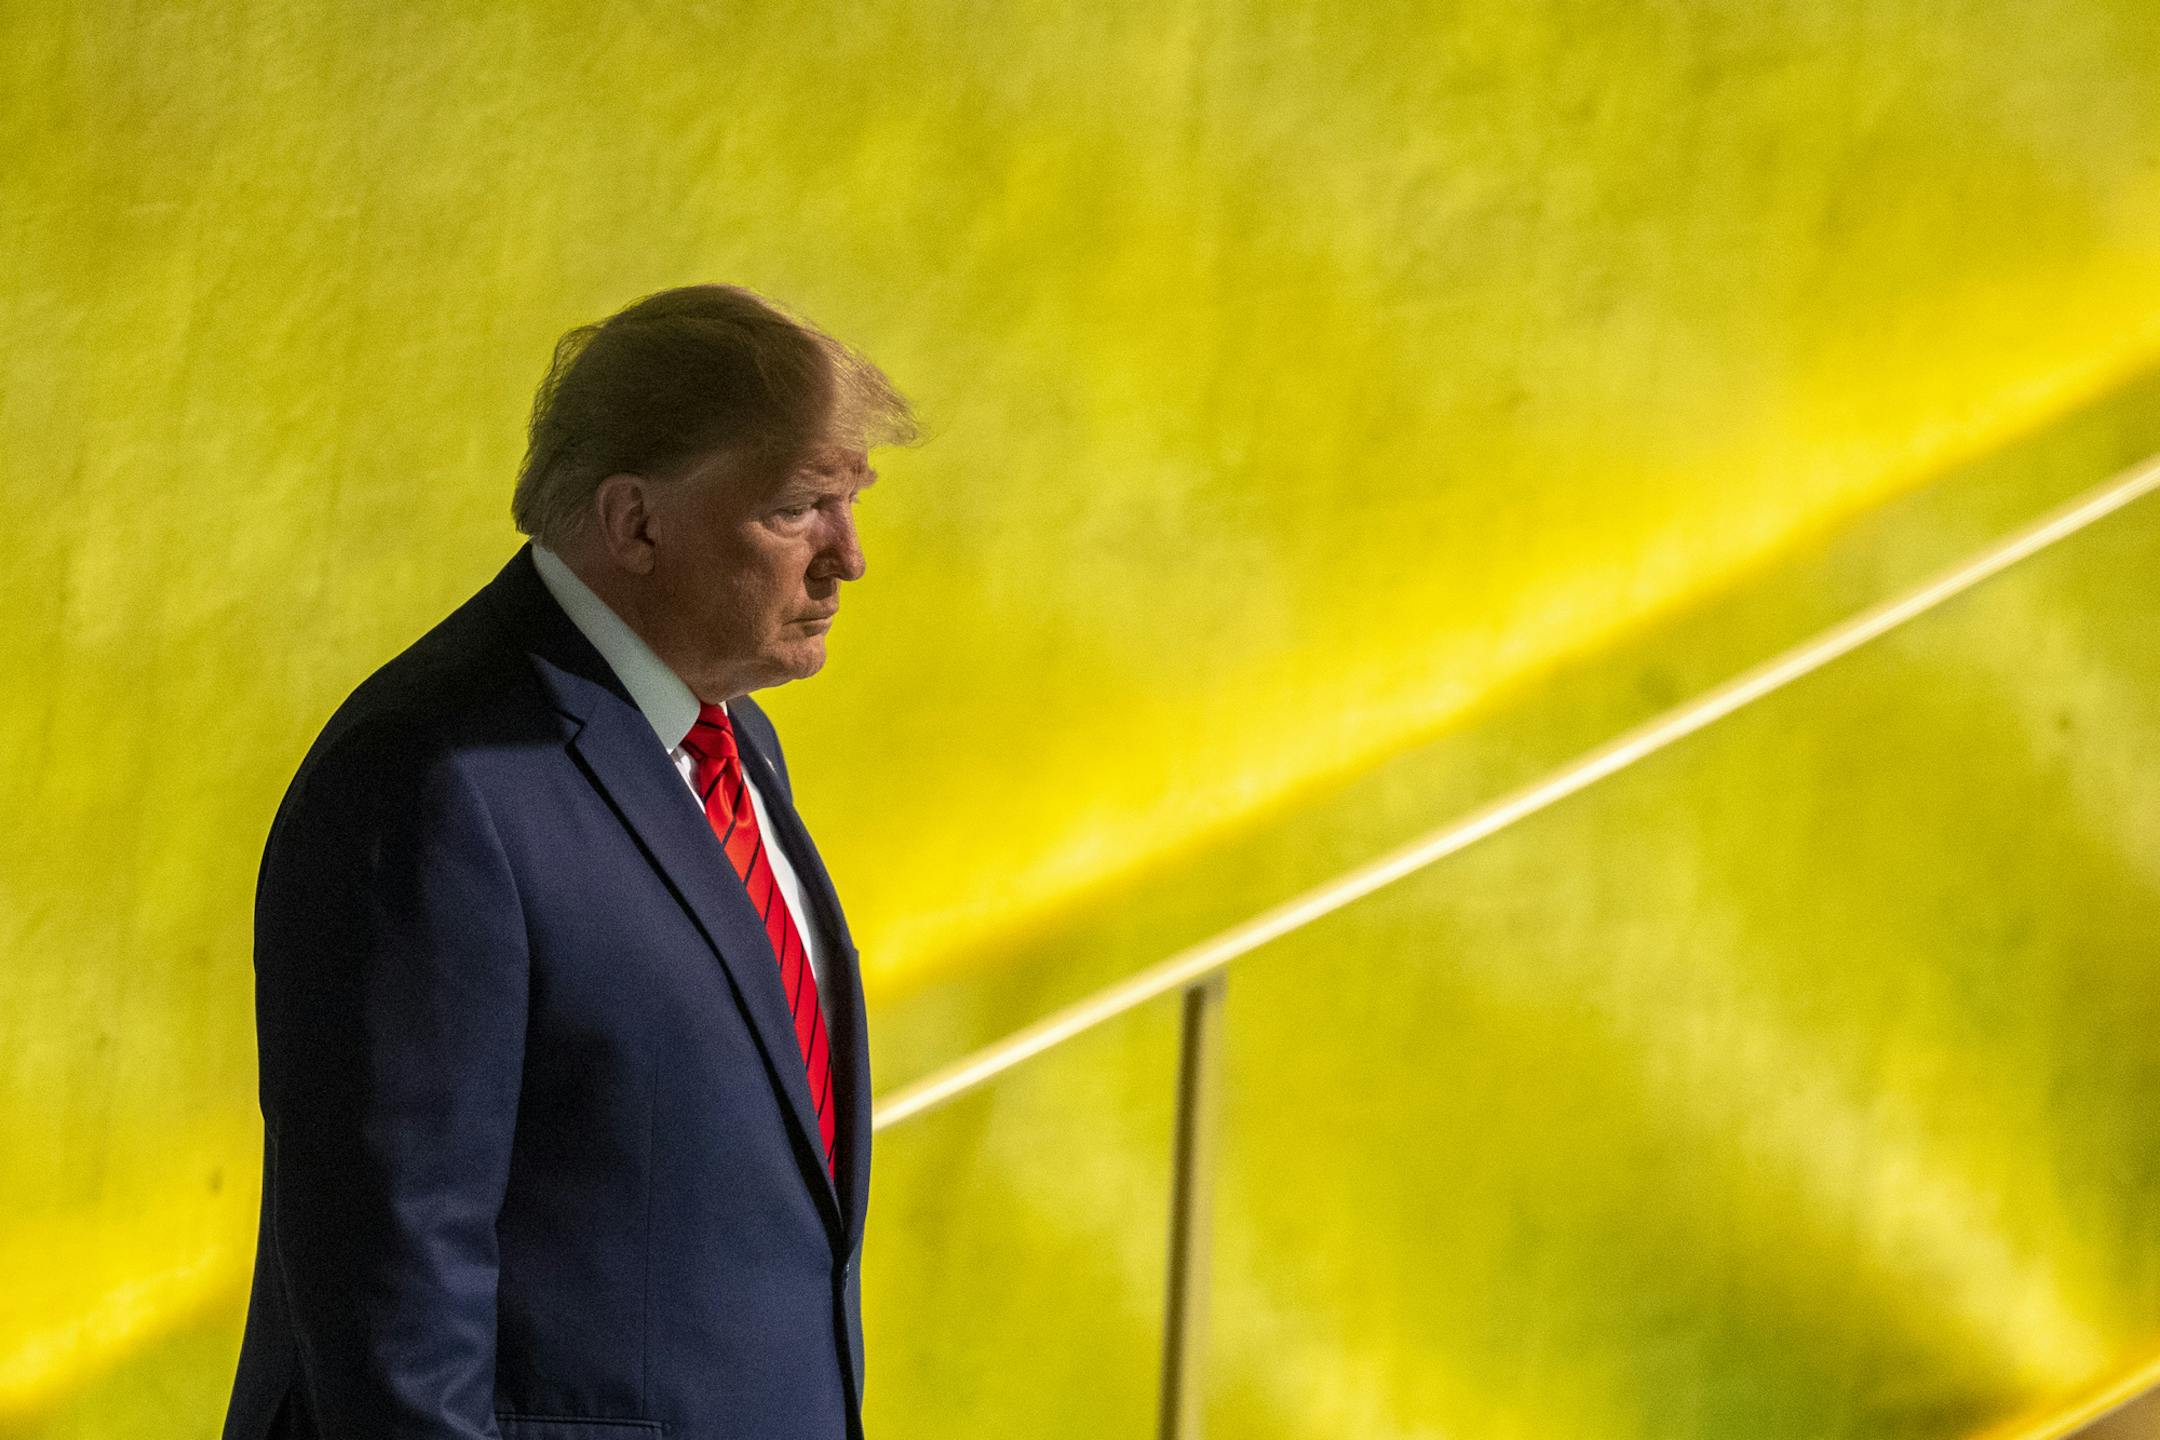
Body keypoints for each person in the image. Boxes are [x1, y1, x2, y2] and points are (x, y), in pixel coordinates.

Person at [219, 284, 917, 1440]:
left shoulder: (734, 737)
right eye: (799, 509)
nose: (848, 559)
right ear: (634, 524)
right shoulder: (434, 781)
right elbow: (393, 1286)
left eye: (852, 502)